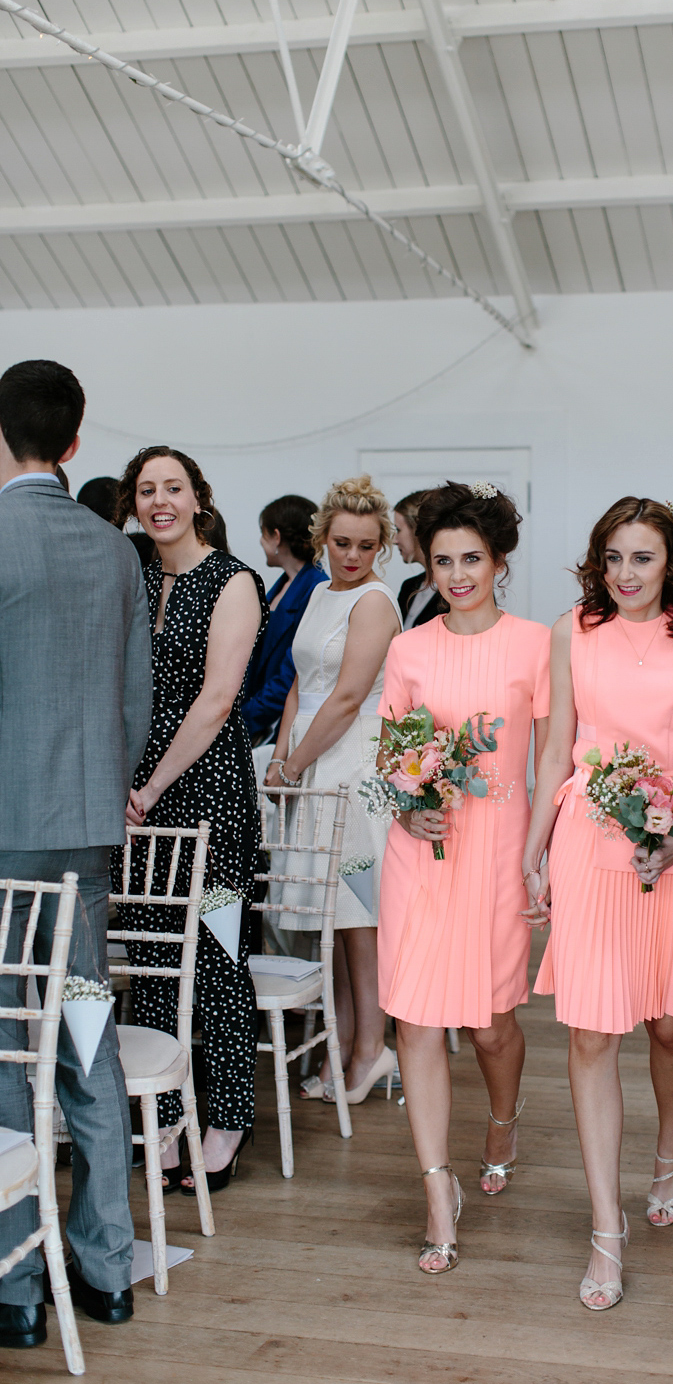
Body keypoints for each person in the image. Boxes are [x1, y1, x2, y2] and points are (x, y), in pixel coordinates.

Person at [524, 496, 673, 1311]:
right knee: (591, 1031)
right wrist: (533, 849)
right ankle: (605, 1232)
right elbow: (556, 749)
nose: (624, 575)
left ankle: (671, 1152)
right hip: (588, 839)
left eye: (641, 558)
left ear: (671, 561)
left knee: (669, 1021)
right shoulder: (570, 630)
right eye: (612, 558)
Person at [0, 360, 152, 1345]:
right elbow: (134, 708)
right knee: (87, 1039)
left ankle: (15, 1287)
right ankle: (106, 1272)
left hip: (2, 839)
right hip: (87, 843)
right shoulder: (115, 552)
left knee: (4, 1050)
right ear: (77, 441)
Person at [377, 481, 550, 1274]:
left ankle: (505, 1118)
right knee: (417, 1021)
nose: (456, 575)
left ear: (499, 561)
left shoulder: (537, 646)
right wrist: (409, 807)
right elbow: (390, 754)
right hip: (424, 853)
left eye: (471, 560)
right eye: (442, 560)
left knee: (488, 1025)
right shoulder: (409, 649)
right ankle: (436, 1188)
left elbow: (555, 761)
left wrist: (543, 854)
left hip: (498, 855)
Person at [112, 445, 268, 1195]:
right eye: (147, 489)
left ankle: (230, 1116)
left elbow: (215, 701)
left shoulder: (233, 579)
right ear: (133, 504)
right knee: (148, 962)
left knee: (217, 955)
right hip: (137, 798)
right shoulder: (135, 578)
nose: (159, 500)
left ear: (198, 498)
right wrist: (125, 785)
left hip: (208, 794)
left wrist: (151, 785)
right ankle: (165, 1118)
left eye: (172, 487)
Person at [266, 476, 401, 1103]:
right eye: (342, 543)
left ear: (382, 548)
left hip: (356, 765)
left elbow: (348, 697)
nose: (352, 556)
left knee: (359, 915)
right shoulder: (321, 592)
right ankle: (340, 1045)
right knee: (332, 920)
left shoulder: (374, 602)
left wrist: (295, 767)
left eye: (367, 546)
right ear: (323, 539)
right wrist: (283, 750)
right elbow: (302, 682)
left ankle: (373, 1049)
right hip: (316, 757)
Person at [242, 495, 326, 749]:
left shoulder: (316, 588)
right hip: (260, 716)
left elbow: (292, 674)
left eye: (263, 533)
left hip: (277, 726)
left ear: (276, 537)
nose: (260, 540)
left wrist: (242, 718)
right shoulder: (282, 586)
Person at [393, 489, 447, 630]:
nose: (394, 540)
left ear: (417, 530)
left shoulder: (457, 590)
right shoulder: (409, 586)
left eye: (398, 530)